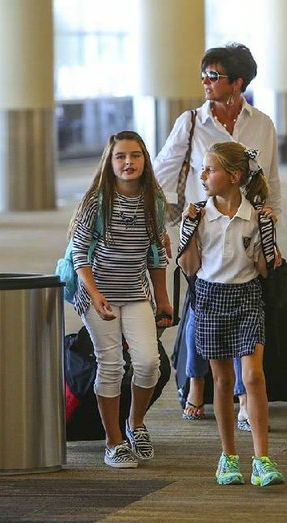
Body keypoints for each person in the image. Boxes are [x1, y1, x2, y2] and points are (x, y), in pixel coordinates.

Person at [154, 42, 282, 429]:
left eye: (215, 76)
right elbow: (161, 172)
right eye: (204, 75)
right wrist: (153, 222)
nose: (206, 82)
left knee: (248, 310)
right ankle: (196, 384)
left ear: (238, 82)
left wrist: (273, 234)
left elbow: (271, 185)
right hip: (203, 232)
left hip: (247, 231)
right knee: (200, 308)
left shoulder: (261, 124)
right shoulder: (191, 122)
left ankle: (245, 398)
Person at [178, 141, 284, 486]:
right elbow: (190, 267)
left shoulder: (255, 217)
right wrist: (186, 232)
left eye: (210, 169)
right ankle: (228, 456)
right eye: (203, 169)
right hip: (209, 298)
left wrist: (270, 247)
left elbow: (266, 269)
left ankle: (262, 459)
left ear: (234, 176)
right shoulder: (199, 216)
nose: (203, 175)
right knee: (222, 382)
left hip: (247, 296)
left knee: (252, 376)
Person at [69, 130, 173, 468]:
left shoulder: (153, 200)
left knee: (147, 363)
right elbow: (79, 254)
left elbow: (156, 255)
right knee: (111, 365)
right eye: (121, 156)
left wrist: (163, 299)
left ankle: (135, 423)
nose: (129, 162)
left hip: (135, 292)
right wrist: (96, 296)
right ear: (110, 162)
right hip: (98, 294)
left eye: (136, 155)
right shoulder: (96, 201)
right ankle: (113, 441)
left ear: (145, 159)